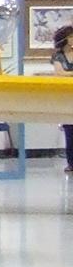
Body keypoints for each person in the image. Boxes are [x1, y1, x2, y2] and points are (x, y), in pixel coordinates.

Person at [53, 25, 73, 170]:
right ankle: (71, 162)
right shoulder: (58, 56)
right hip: (66, 97)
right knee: (69, 131)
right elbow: (60, 73)